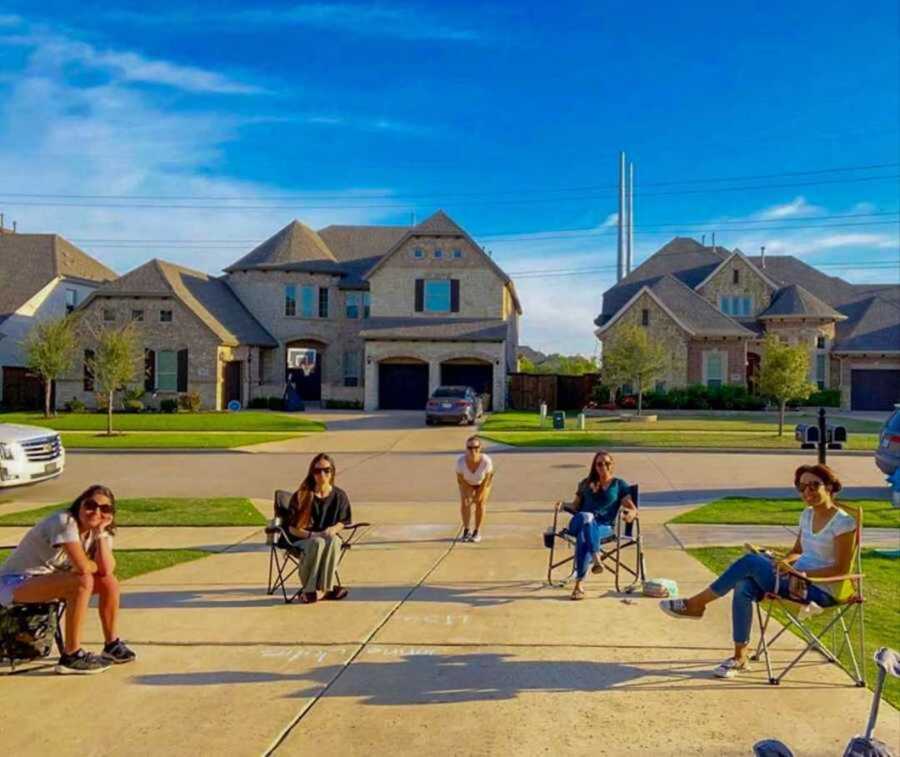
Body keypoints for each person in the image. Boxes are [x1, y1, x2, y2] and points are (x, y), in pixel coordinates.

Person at [659, 463, 856, 679]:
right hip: (793, 579)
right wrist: (785, 562)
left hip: (820, 590)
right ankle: (739, 657)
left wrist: (805, 575)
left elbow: (841, 569)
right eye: (801, 488)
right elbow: (797, 550)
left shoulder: (844, 523)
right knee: (744, 585)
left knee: (751, 563)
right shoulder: (807, 515)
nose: (807, 492)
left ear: (829, 486)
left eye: (813, 485)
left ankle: (696, 604)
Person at [0, 484, 136, 674]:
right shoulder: (64, 521)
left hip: (50, 582)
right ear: (79, 505)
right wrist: (93, 566)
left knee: (109, 582)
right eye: (90, 505)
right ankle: (71, 655)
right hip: (17, 582)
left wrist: (101, 535)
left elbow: (106, 571)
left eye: (105, 509)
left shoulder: (98, 532)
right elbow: (83, 567)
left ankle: (111, 645)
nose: (96, 512)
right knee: (83, 581)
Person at [555, 450, 636, 600]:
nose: (603, 466)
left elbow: (631, 508)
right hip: (578, 521)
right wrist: (562, 505)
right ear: (595, 466)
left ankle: (579, 586)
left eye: (607, 463)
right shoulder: (585, 483)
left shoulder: (619, 484)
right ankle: (596, 557)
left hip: (603, 527)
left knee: (583, 537)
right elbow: (574, 506)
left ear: (612, 466)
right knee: (587, 516)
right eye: (599, 463)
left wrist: (630, 514)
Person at [287, 453, 353, 603]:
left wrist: (334, 529)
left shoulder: (339, 496)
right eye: (317, 471)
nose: (321, 474)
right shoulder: (302, 496)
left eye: (326, 470)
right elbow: (292, 529)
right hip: (303, 540)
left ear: (332, 472)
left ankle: (322, 590)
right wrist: (313, 535)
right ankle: (311, 589)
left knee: (335, 541)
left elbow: (343, 521)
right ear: (312, 473)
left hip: (327, 538)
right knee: (318, 543)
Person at [456, 435, 493, 543]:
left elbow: (487, 479)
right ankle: (466, 530)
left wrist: (479, 494)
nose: (473, 450)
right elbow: (460, 480)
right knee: (465, 503)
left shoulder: (486, 461)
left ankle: (476, 531)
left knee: (480, 503)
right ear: (466, 449)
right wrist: (467, 495)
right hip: (467, 482)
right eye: (470, 448)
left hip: (483, 483)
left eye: (476, 447)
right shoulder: (460, 462)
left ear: (480, 448)